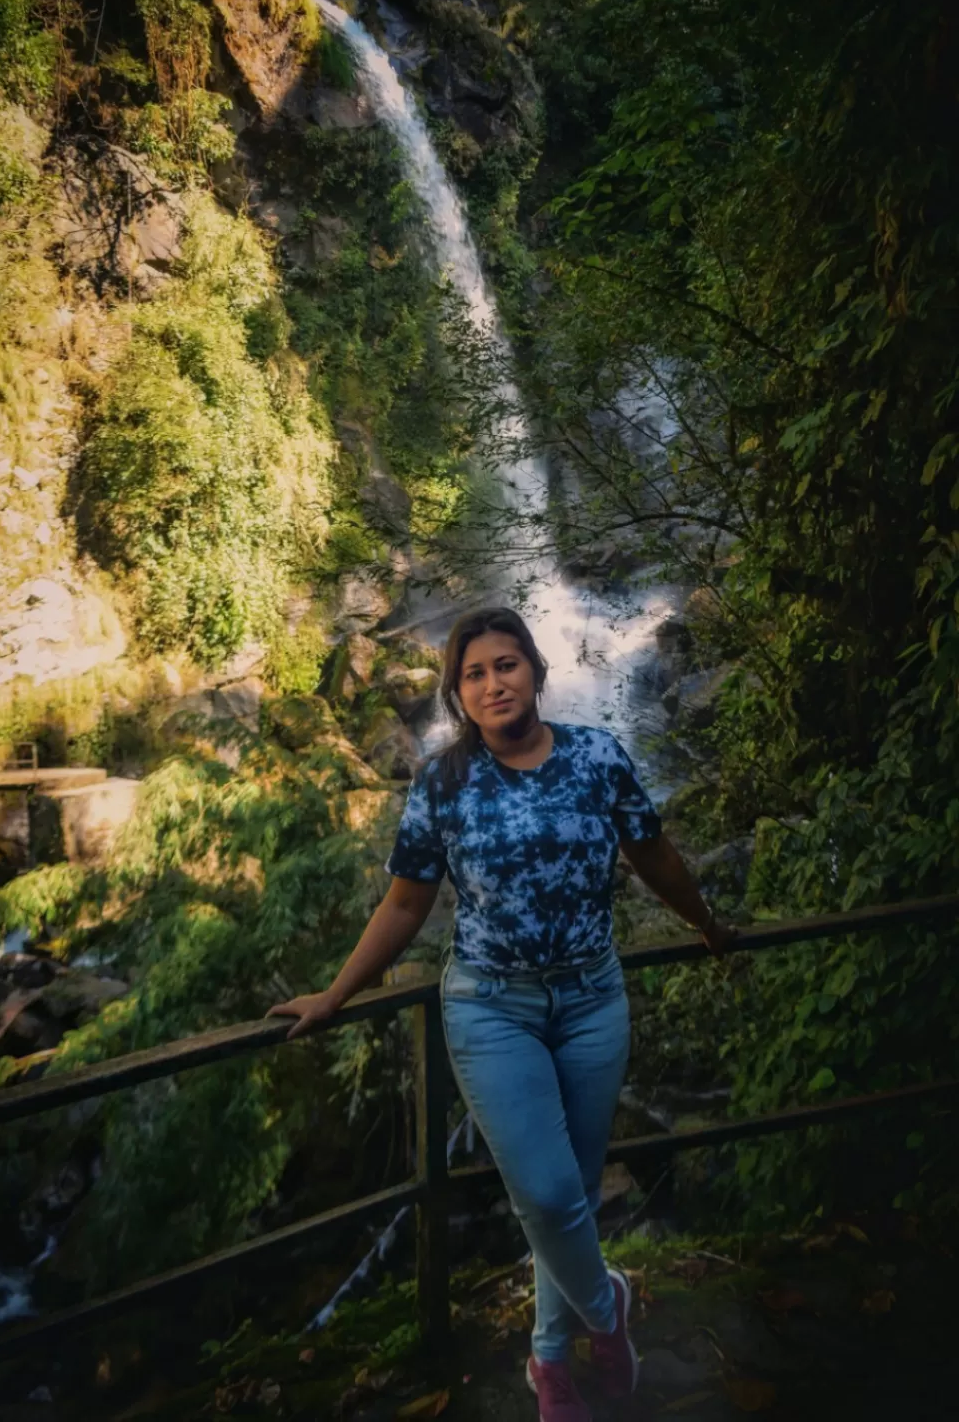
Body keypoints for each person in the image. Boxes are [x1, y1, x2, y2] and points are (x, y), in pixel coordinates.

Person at [269, 606, 736, 1422]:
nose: (494, 682)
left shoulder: (597, 756)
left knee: (578, 1197)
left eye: (507, 664)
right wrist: (337, 994)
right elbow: (408, 904)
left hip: (593, 999)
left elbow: (653, 853)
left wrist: (703, 922)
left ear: (536, 671)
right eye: (475, 672)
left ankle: (551, 1360)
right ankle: (608, 1307)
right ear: (457, 691)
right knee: (549, 1198)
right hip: (491, 1009)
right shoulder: (442, 783)